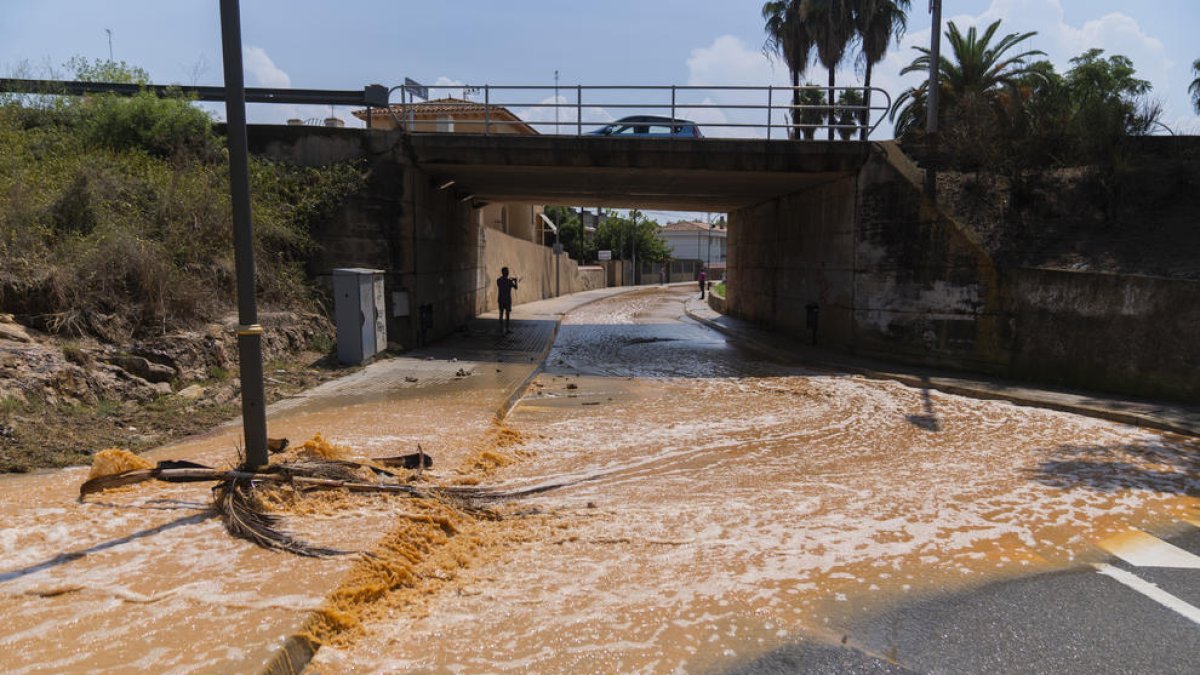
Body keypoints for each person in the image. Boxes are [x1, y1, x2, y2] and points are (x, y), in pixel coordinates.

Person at [497, 267, 518, 334]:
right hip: (507, 300)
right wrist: (515, 281)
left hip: (501, 299)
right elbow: (516, 287)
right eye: (507, 271)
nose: (508, 273)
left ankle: (501, 329)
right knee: (507, 314)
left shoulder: (499, 280)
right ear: (504, 272)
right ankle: (506, 329)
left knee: (501, 314)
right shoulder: (509, 281)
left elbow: (500, 284)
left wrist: (510, 280)